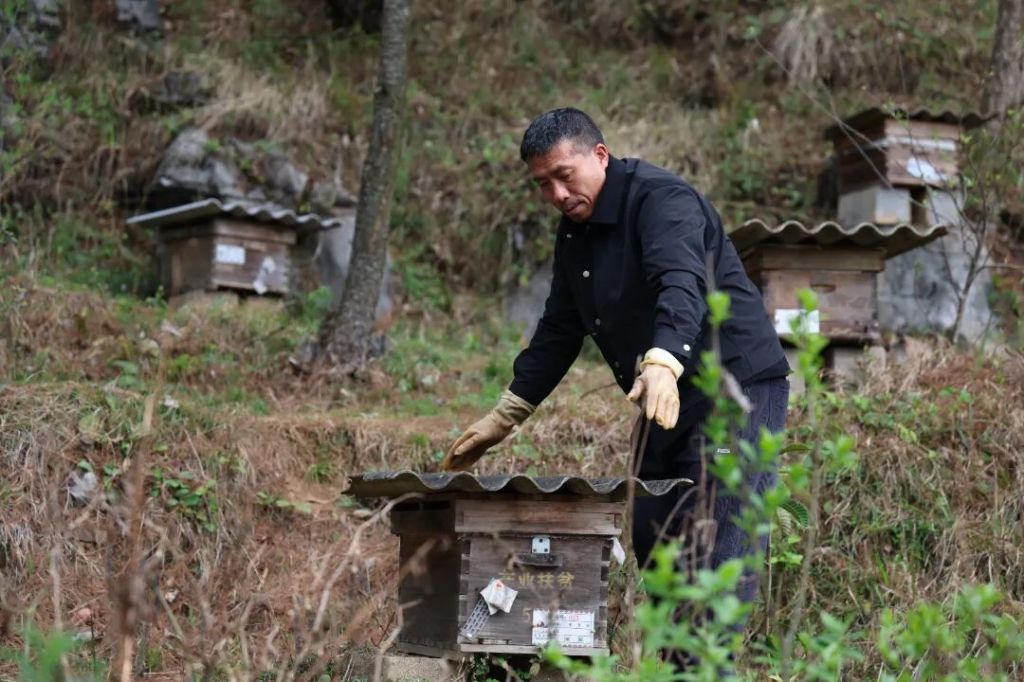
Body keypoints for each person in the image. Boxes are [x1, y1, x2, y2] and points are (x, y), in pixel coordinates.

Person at [442, 107, 790, 606]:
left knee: (718, 547)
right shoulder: (575, 232)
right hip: (661, 394)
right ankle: (671, 651)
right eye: (543, 185)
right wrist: (507, 413)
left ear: (600, 155)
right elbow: (560, 328)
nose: (557, 194)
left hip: (736, 387)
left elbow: (680, 282)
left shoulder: (661, 200)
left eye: (564, 176)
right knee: (656, 542)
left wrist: (663, 361)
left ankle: (711, 652)